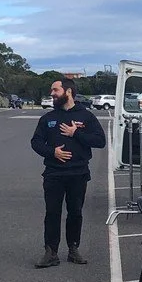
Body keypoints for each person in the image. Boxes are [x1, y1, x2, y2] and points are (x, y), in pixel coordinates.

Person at [31, 76, 107, 267]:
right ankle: (51, 252)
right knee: (52, 213)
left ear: (68, 91)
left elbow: (100, 141)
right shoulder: (48, 118)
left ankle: (73, 249)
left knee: (75, 212)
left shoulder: (86, 116)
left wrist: (76, 133)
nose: (52, 94)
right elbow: (36, 142)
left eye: (55, 90)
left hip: (78, 174)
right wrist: (52, 152)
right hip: (54, 174)